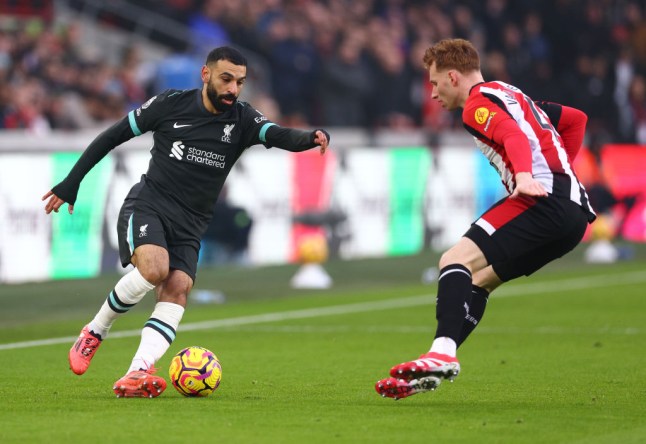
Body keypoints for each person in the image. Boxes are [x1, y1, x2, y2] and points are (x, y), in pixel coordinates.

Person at [42, 46, 330, 398]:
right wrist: (72, 183)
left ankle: (137, 371)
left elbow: (277, 134)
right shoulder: (170, 104)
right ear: (206, 74)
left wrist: (310, 137)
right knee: (155, 268)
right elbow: (112, 136)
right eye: (226, 79)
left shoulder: (241, 119)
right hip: (149, 205)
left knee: (177, 289)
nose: (233, 89)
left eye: (240, 82)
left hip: (192, 223)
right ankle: (95, 331)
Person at [375, 38, 595, 400]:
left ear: (453, 76)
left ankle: (442, 355)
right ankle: (434, 362)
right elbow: (575, 120)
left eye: (433, 83)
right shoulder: (514, 95)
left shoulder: (477, 104)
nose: (432, 94)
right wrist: (561, 171)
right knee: (479, 281)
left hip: (544, 201)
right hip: (572, 217)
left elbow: (510, 135)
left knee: (454, 260)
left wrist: (527, 176)